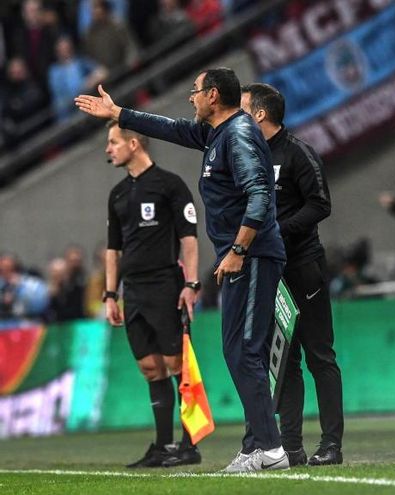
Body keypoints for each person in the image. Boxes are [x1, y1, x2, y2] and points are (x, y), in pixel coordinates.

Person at [75, 68, 290, 471]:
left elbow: (260, 196)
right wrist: (118, 112)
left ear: (212, 96)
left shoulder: (239, 135)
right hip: (239, 255)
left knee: (245, 350)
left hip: (253, 254)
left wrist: (240, 249)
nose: (189, 98)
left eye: (194, 92)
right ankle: (257, 444)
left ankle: (271, 449)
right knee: (238, 351)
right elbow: (170, 128)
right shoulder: (217, 134)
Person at [241, 82, 344, 466]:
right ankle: (291, 446)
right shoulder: (248, 155)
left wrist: (276, 232)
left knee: (320, 356)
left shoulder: (299, 153)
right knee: (283, 361)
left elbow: (321, 204)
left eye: (243, 107)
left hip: (303, 267)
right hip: (270, 272)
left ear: (260, 114)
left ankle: (331, 445)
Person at [101, 121, 201, 468]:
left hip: (166, 286)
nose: (108, 149)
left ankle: (190, 444)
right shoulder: (117, 194)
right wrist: (111, 293)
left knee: (176, 364)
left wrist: (191, 284)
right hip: (134, 292)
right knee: (150, 367)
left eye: (113, 142)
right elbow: (112, 250)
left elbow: (189, 239)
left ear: (134, 143)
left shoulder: (170, 185)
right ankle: (162, 446)